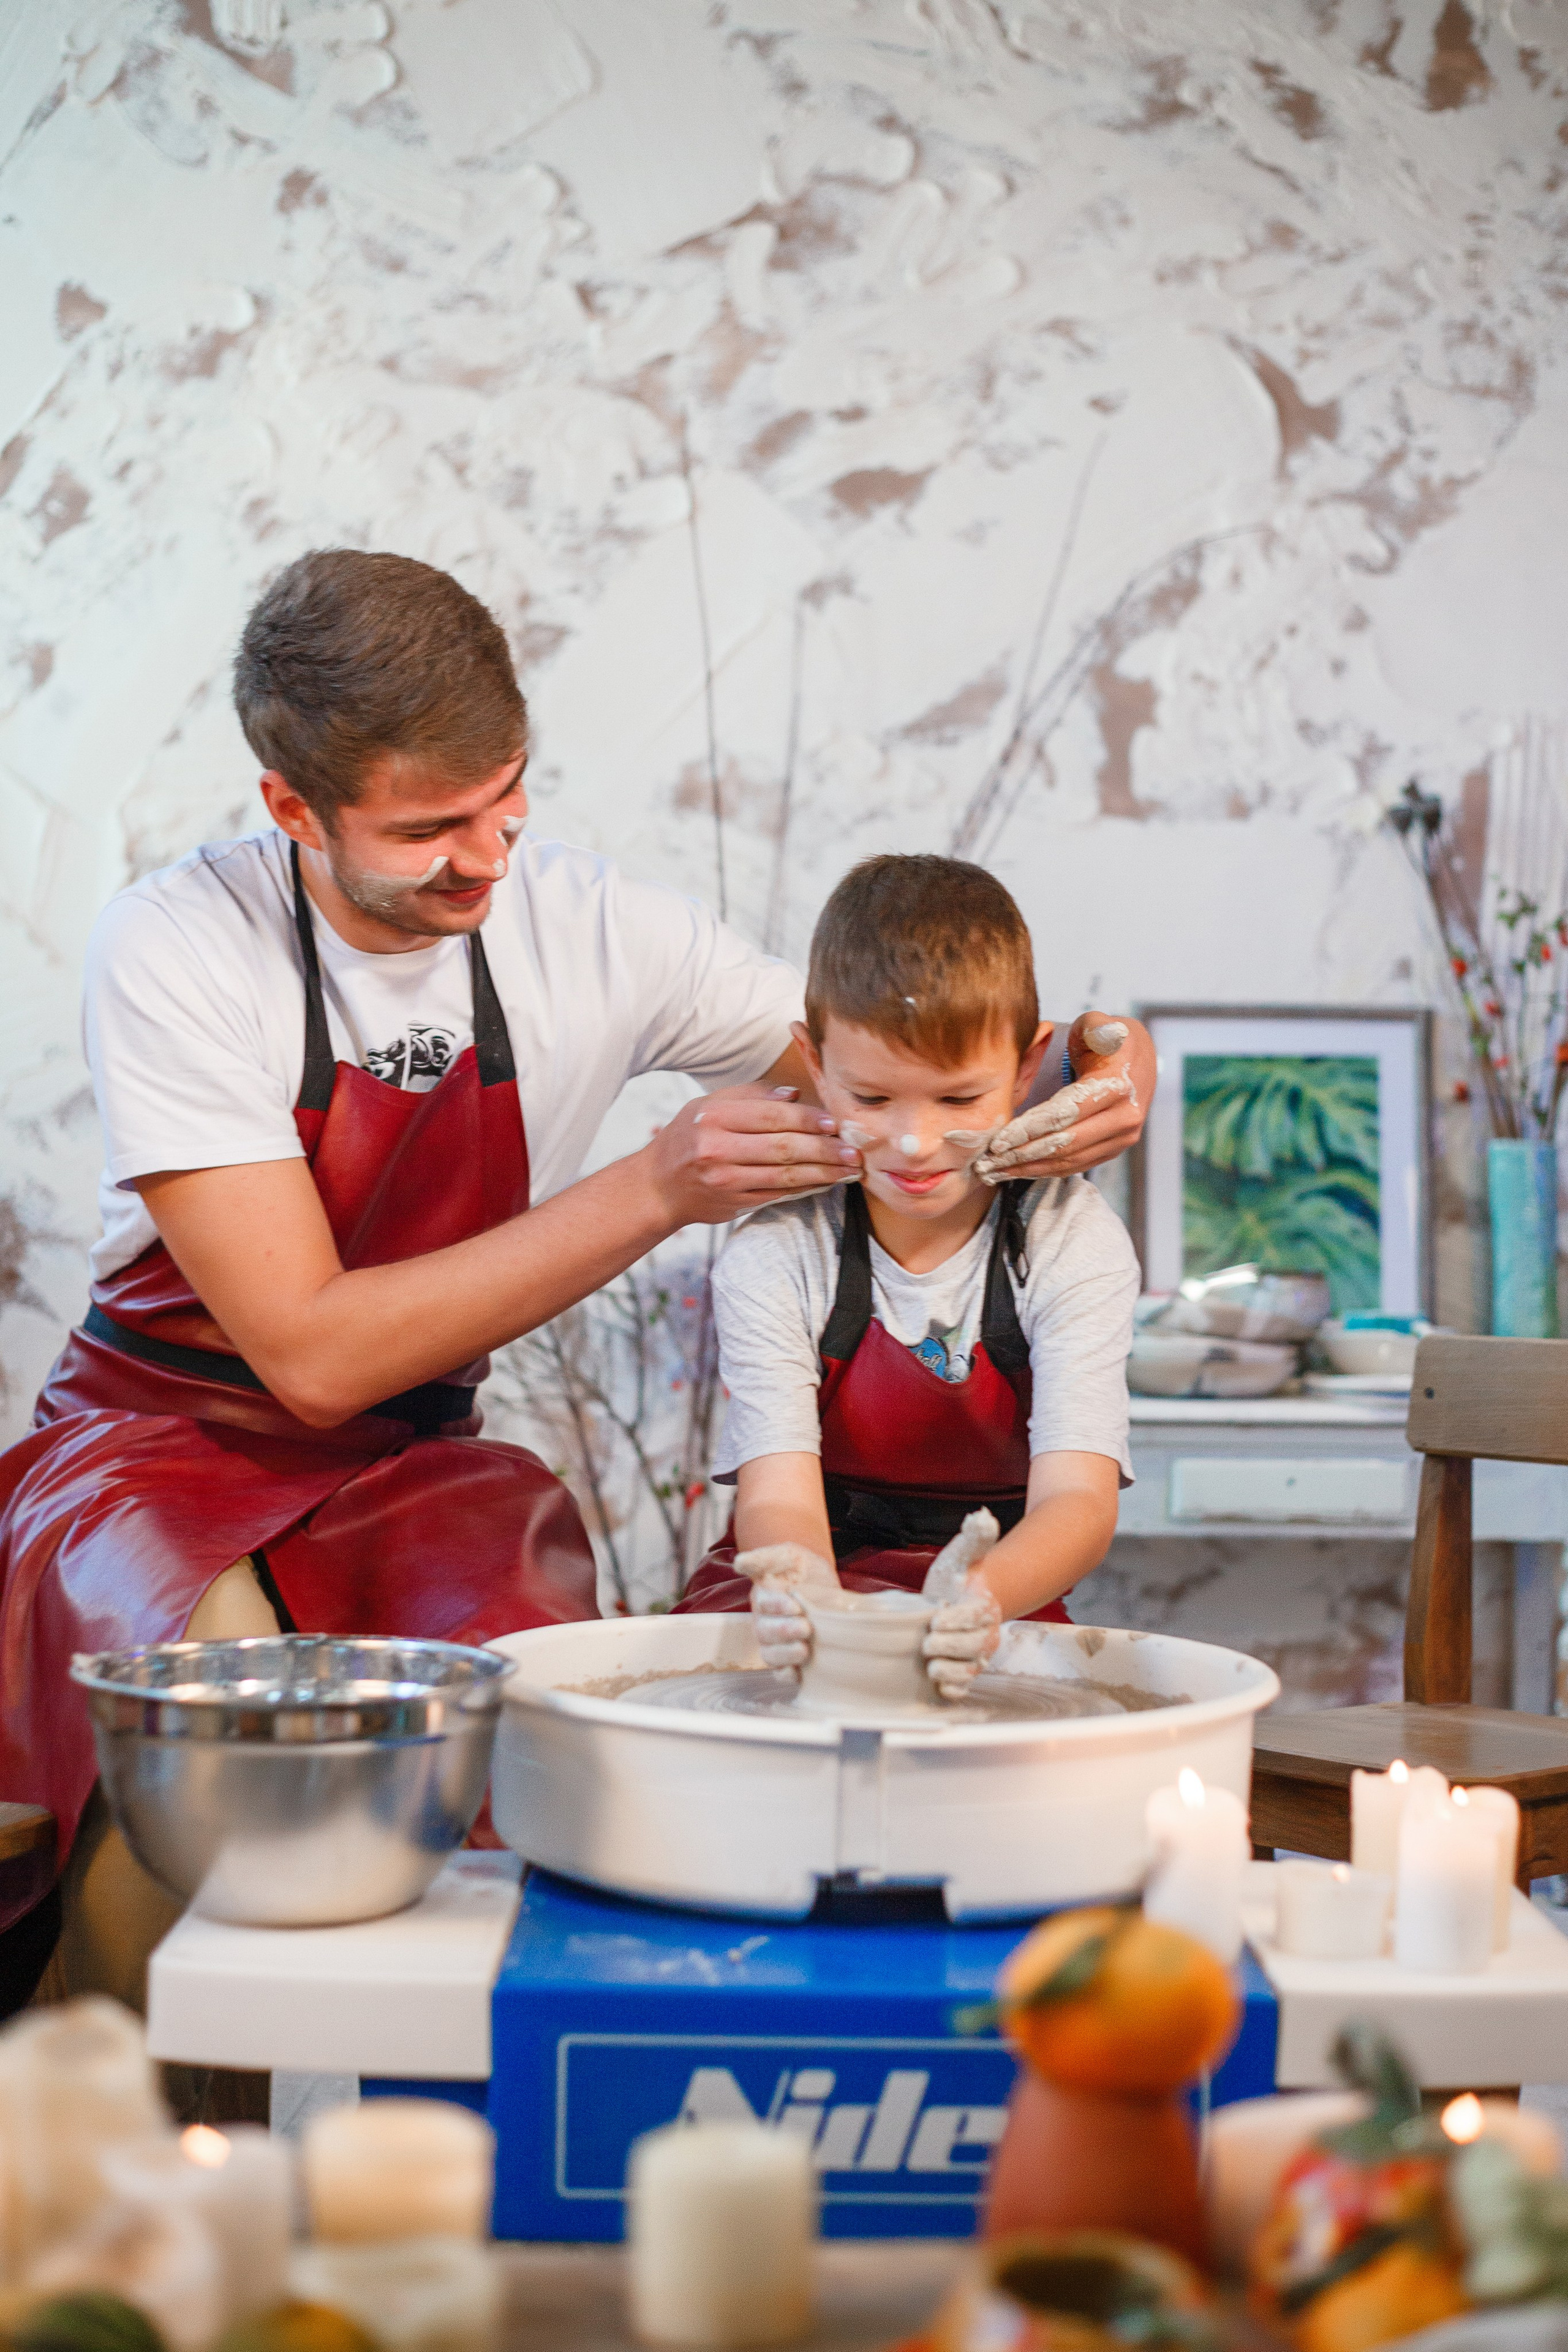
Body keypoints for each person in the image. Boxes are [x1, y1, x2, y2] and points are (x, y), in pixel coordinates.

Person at [0, 550, 1153, 2004]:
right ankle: (100, 2161)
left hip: (408, 1459)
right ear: (293, 809)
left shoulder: (598, 929)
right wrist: (657, 1185)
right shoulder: (175, 946)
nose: (489, 857)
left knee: (549, 1736)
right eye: (430, 828)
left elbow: (893, 1084)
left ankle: (448, 2152)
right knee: (215, 1713)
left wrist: (1099, 1057)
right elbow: (309, 1353)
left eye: (508, 799)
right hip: (149, 1444)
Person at [675, 854, 1139, 1695]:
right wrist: (804, 1597)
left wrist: (976, 1598)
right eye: (874, 1099)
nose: (916, 1143)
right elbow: (778, 1496)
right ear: (813, 1063)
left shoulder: (1072, 1238)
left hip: (1000, 1580)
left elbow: (1078, 1501)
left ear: (1029, 1062)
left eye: (960, 1100)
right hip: (806, 1559)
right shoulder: (780, 1250)